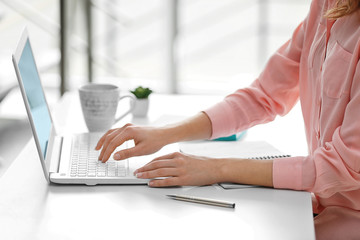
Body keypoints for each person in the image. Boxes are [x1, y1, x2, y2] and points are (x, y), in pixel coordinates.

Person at [96, 0, 360, 239]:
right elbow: (263, 95)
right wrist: (165, 133)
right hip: (315, 205)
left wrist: (216, 168)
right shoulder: (326, 6)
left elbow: (343, 165)